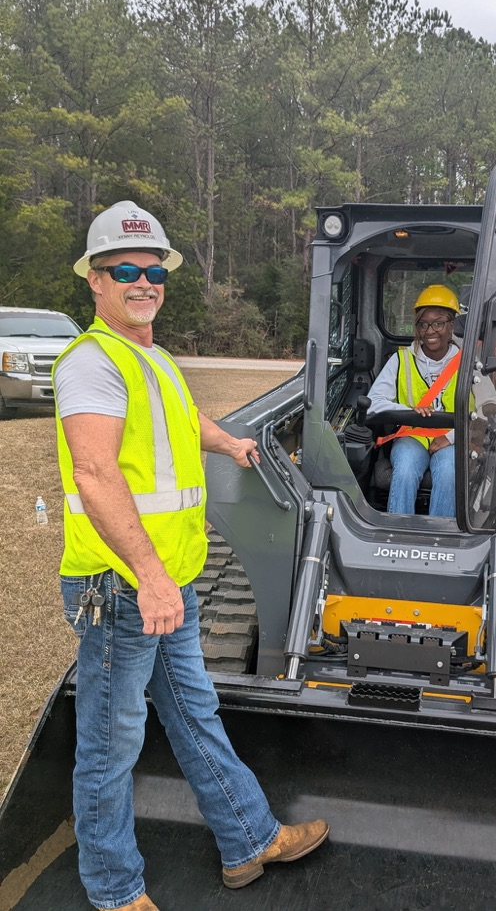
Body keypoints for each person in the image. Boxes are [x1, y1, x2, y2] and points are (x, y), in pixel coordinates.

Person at [52, 201, 329, 911]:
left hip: (166, 582)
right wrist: (148, 577)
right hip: (123, 587)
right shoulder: (91, 363)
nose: (144, 282)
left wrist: (229, 443)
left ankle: (249, 839)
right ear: (96, 281)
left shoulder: (154, 358)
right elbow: (95, 473)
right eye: (127, 271)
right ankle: (114, 890)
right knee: (110, 746)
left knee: (195, 712)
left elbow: (182, 422)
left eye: (154, 271)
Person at [368, 284, 462, 517]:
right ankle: (396, 533)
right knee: (406, 469)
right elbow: (373, 401)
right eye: (423, 323)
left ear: (452, 325)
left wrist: (451, 437)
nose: (430, 330)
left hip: (452, 439)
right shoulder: (401, 360)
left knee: (450, 471)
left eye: (438, 323)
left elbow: (488, 411)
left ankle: (440, 537)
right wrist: (409, 409)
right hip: (412, 436)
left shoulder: (468, 362)